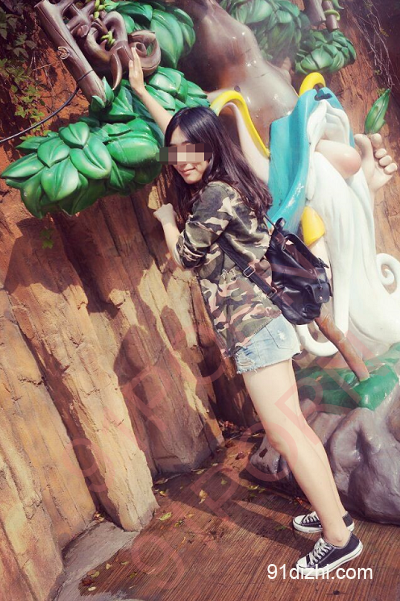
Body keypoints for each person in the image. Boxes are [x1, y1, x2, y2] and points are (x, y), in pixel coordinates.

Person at [128, 48, 363, 576]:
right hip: (262, 325)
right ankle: (333, 511)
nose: (182, 159)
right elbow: (183, 139)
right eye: (176, 152)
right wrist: (142, 92)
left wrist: (165, 220)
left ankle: (339, 538)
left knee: (285, 433)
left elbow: (185, 256)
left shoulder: (215, 196)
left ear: (211, 146)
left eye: (193, 150)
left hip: (256, 328)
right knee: (290, 430)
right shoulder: (224, 181)